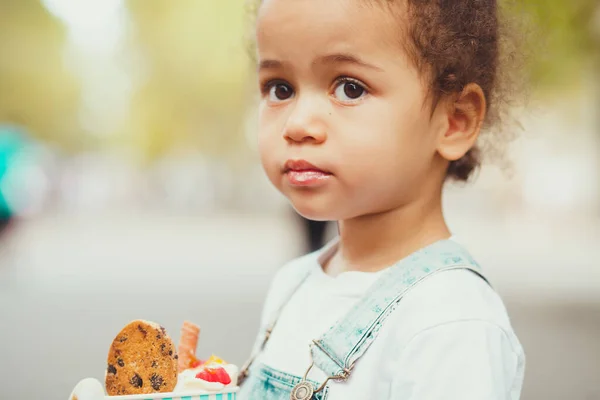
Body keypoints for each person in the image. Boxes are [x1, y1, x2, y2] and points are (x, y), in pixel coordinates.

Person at [239, 0, 525, 399]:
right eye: (280, 89)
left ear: (454, 120)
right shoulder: (294, 283)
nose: (297, 124)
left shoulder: (449, 320)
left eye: (349, 88)